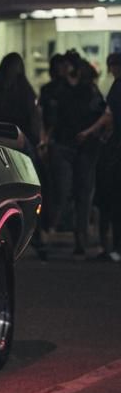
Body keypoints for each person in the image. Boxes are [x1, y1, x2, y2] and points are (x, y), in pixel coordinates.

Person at [43, 51, 106, 258]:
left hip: (82, 146)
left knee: (82, 193)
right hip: (67, 144)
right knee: (69, 190)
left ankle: (80, 237)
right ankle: (74, 232)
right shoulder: (61, 90)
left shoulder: (86, 89)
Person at [76, 51, 121, 262]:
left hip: (113, 149)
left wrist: (88, 132)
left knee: (108, 197)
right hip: (113, 147)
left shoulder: (116, 88)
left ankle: (109, 246)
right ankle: (112, 246)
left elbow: (108, 116)